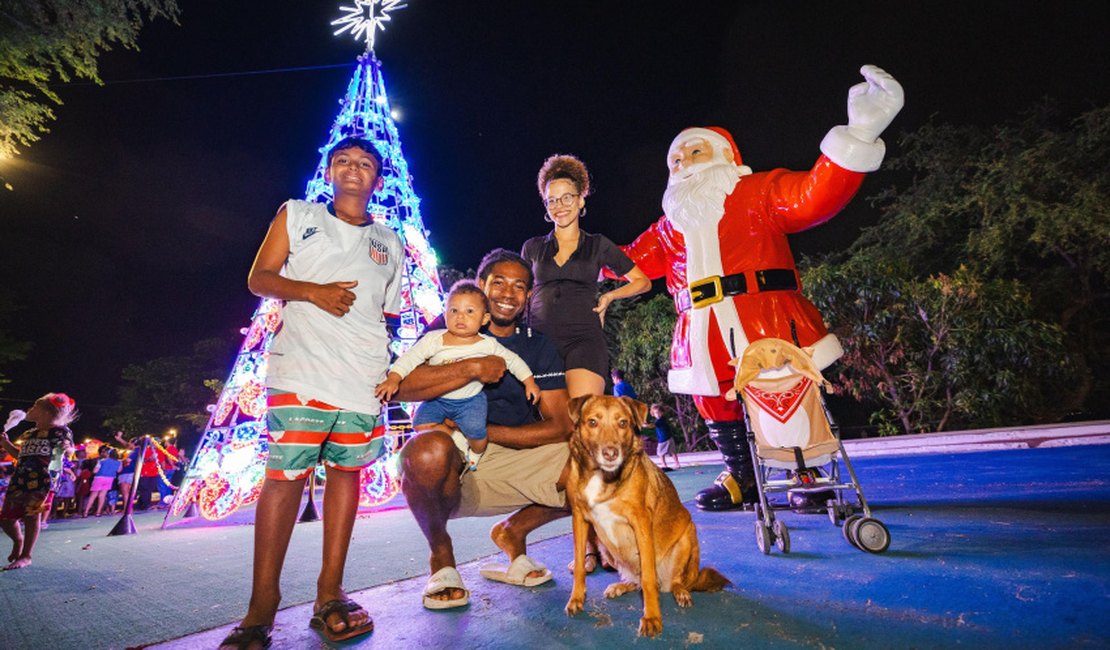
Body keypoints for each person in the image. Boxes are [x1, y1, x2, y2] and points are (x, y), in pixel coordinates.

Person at [617, 65, 904, 511]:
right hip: (700, 328)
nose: (684, 164)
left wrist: (859, 133)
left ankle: (804, 472)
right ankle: (743, 476)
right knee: (716, 403)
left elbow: (813, 197)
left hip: (767, 317)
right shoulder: (668, 227)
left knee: (785, 391)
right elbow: (623, 264)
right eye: (676, 160)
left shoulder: (758, 191)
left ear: (725, 156)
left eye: (695, 152)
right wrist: (571, 250)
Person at [219, 136, 402, 649]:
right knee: (286, 477)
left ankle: (329, 593)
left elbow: (386, 311)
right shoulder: (297, 214)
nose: (353, 169)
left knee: (347, 474)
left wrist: (387, 366)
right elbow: (259, 278)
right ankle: (261, 609)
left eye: (365, 164)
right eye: (343, 161)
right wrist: (312, 292)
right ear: (328, 172)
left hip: (363, 377)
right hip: (301, 369)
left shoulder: (391, 240)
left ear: (377, 181)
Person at [396, 249, 571, 610]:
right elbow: (399, 387)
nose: (509, 293)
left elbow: (561, 424)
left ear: (528, 296)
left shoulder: (537, 346)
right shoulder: (443, 331)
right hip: (454, 461)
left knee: (598, 468)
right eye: (499, 282)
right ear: (481, 285)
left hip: (513, 455)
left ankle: (514, 531)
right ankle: (441, 556)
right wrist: (471, 368)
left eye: (520, 286)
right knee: (426, 450)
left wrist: (484, 432)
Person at [521, 154, 651, 399]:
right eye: (552, 200)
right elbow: (522, 293)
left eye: (567, 197)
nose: (560, 206)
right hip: (540, 342)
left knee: (582, 415)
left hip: (584, 339)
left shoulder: (597, 244)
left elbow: (643, 282)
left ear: (581, 200)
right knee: (553, 425)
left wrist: (609, 297)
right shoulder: (532, 247)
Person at [375, 280, 541, 472]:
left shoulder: (488, 344)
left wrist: (529, 382)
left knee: (477, 436)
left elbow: (513, 361)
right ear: (445, 314)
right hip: (438, 399)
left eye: (470, 311)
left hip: (471, 401)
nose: (460, 316)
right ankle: (456, 439)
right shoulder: (434, 339)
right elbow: (409, 359)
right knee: (420, 424)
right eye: (454, 310)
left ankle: (476, 454)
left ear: (485, 318)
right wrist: (394, 377)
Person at [0, 394, 77, 570]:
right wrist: (5, 443)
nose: (30, 410)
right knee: (5, 519)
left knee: (32, 515)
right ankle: (18, 540)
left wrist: (68, 449)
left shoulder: (61, 431)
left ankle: (26, 556)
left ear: (46, 413)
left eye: (35, 407)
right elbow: (19, 455)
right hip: (20, 480)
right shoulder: (28, 434)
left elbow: (69, 449)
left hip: (44, 481)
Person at [85, 447, 121, 517]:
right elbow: (119, 470)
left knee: (93, 495)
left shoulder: (101, 461)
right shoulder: (118, 462)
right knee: (102, 495)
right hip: (110, 478)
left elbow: (95, 471)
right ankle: (98, 512)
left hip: (99, 478)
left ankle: (86, 512)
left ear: (108, 453)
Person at [651, 404, 681, 471]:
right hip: (669, 437)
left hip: (663, 439)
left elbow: (652, 426)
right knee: (672, 451)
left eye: (659, 412)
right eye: (655, 413)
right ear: (653, 414)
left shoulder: (660, 420)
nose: (657, 414)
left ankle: (664, 465)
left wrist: (644, 425)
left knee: (660, 453)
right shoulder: (662, 420)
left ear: (662, 412)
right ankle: (677, 463)